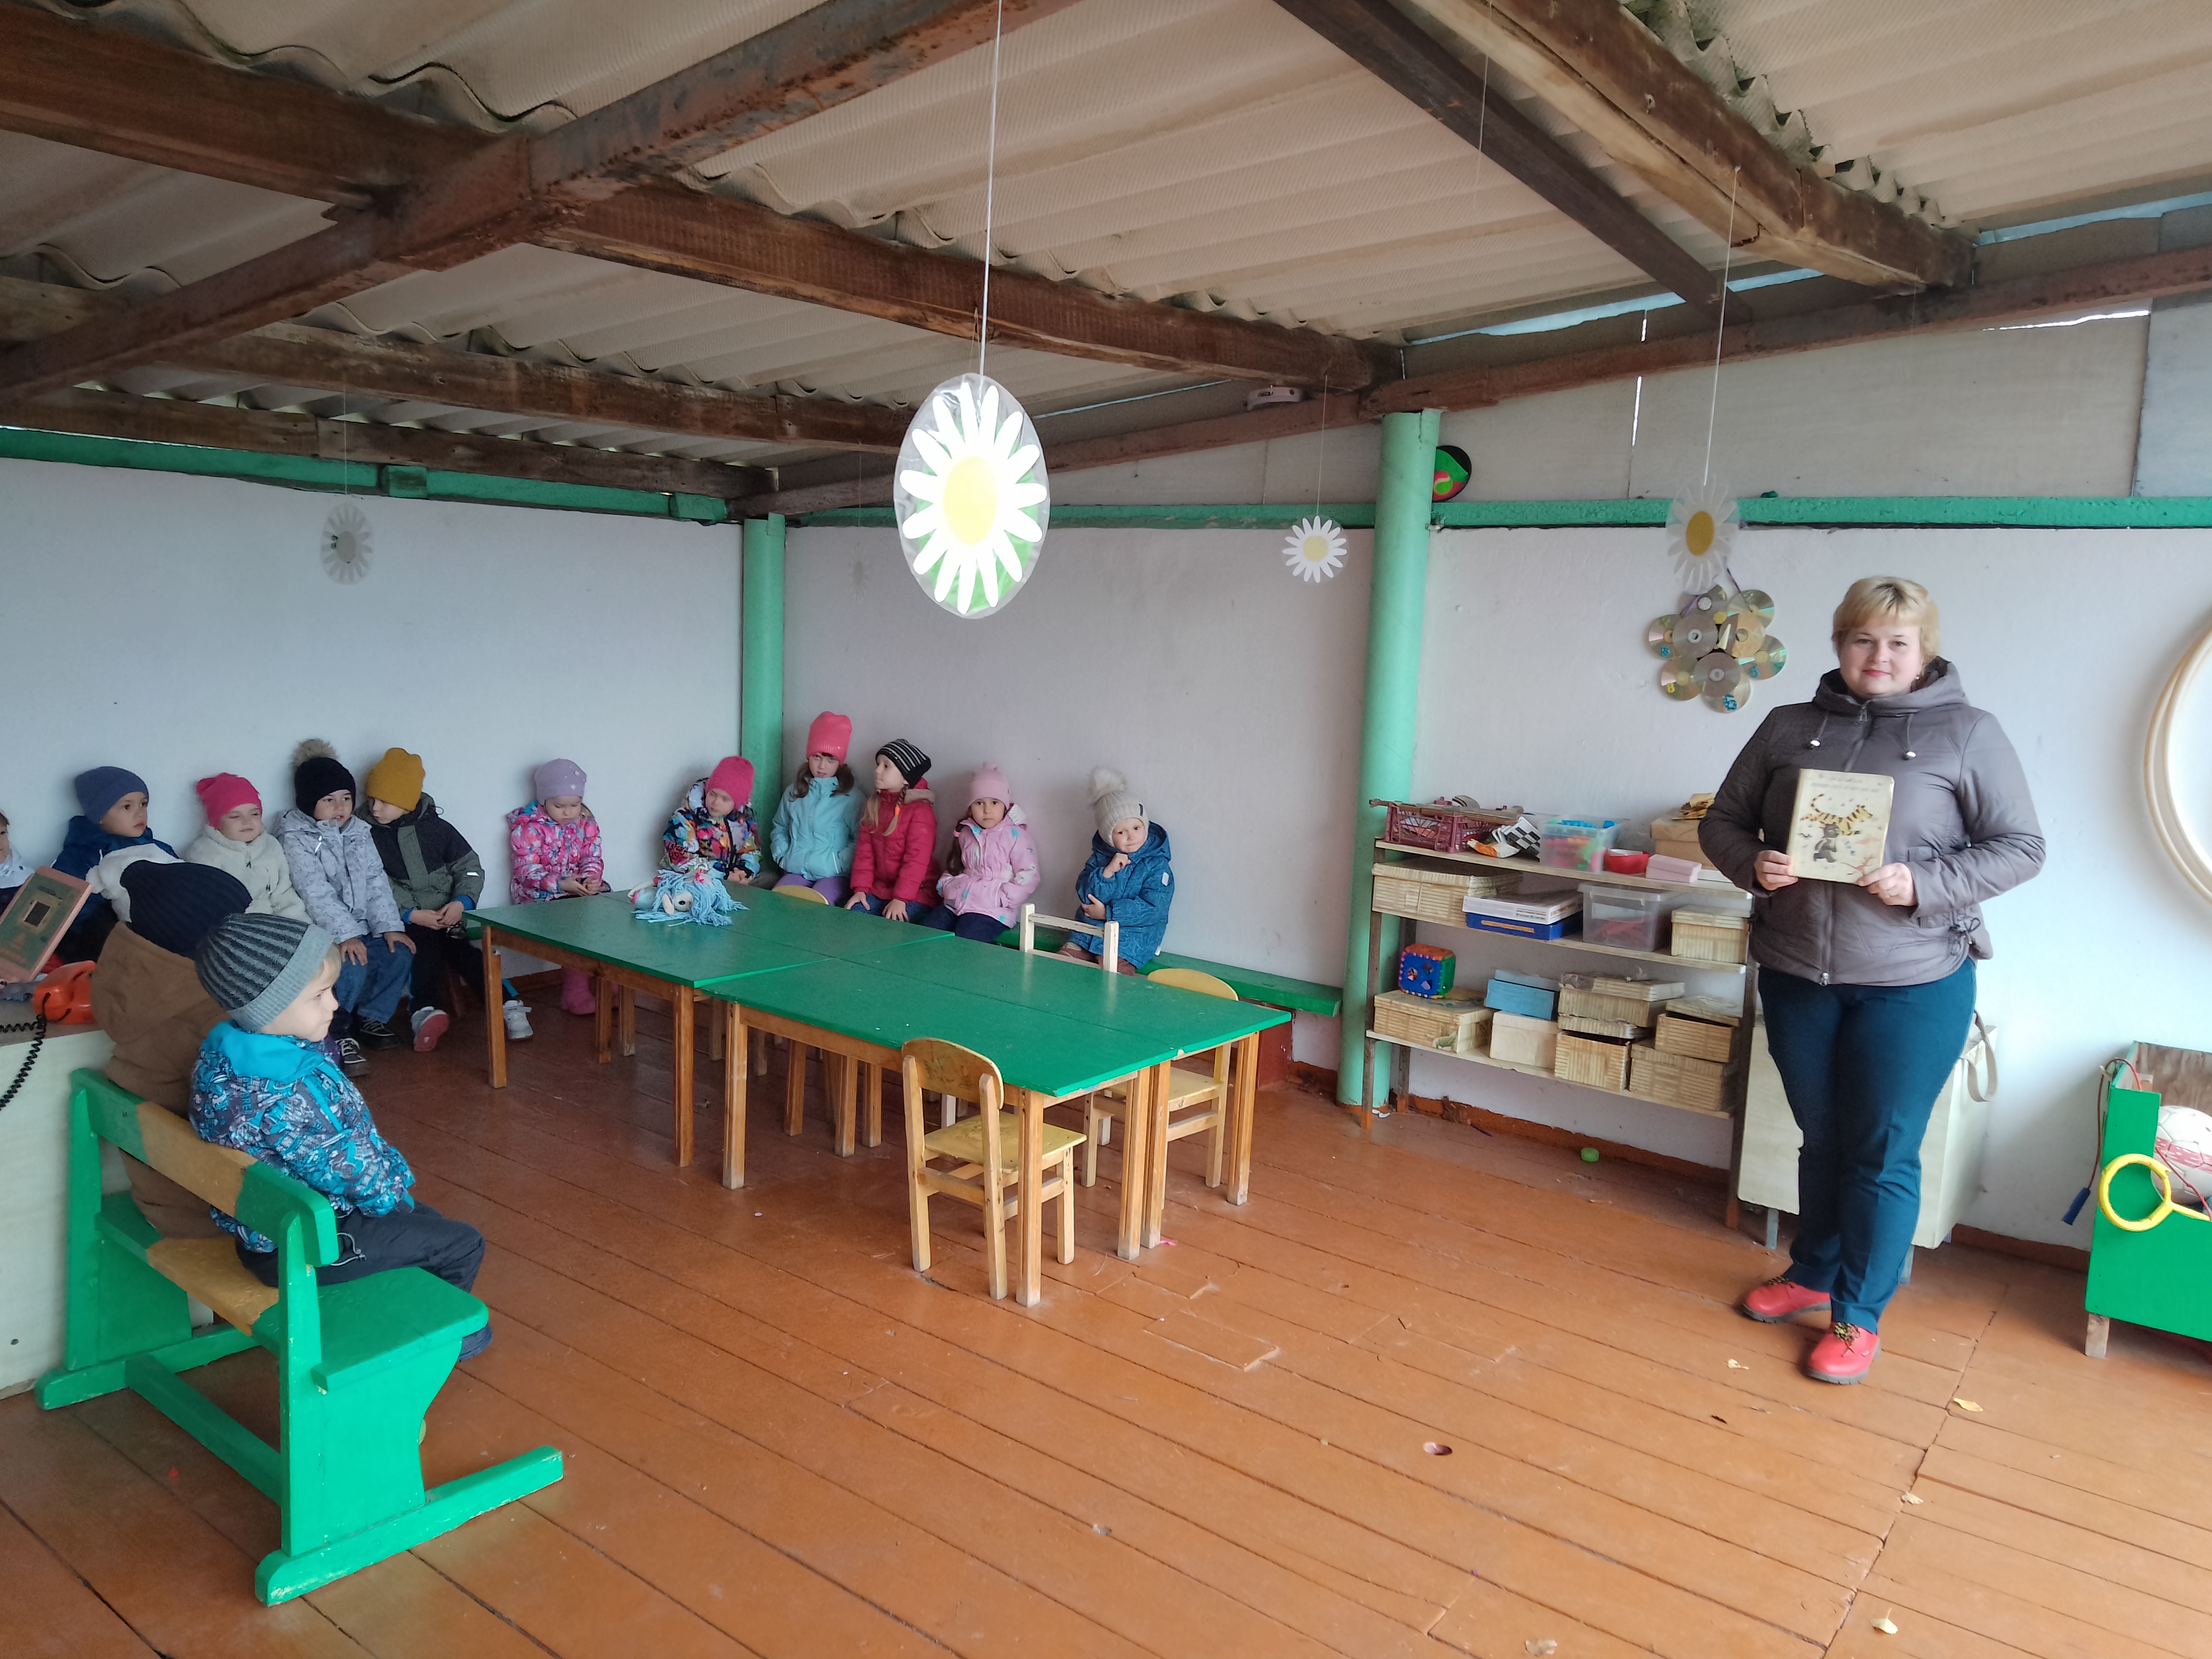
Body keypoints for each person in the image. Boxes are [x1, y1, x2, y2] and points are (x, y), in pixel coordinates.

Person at [1702, 577, 2043, 1385]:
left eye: (1897, 642)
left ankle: (1858, 1315)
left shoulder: (1968, 732)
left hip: (1913, 980)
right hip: (1798, 973)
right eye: (1862, 639)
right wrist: (1754, 863)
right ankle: (1813, 1272)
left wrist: (1921, 882)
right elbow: (1721, 823)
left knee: (1881, 1153)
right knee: (1821, 1138)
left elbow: (2021, 847)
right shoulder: (1788, 726)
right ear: (1839, 645)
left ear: (1925, 651)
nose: (1878, 656)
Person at [188, 911, 491, 1359]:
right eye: (319, 996)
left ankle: (405, 1314)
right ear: (268, 1008)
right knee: (462, 1243)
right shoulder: (287, 1090)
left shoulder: (231, 1059)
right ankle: (441, 1343)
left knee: (428, 1224)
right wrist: (394, 1194)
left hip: (272, 1229)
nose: (334, 1005)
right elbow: (351, 1170)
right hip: (311, 1241)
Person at [89, 861, 252, 1239]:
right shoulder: (210, 1018)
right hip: (217, 1213)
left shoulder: (133, 985)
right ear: (203, 938)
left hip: (160, 1197)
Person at [275, 740, 412, 1075]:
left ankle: (371, 1018)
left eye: (347, 798)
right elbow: (314, 892)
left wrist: (389, 926)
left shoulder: (358, 832)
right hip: (324, 933)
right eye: (329, 800)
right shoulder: (295, 837)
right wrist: (345, 935)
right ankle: (338, 1031)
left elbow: (376, 881)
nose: (340, 807)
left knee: (399, 953)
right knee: (349, 964)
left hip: (362, 928)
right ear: (309, 802)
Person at [362, 747, 485, 1054]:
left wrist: (461, 903)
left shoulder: (439, 830)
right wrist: (411, 914)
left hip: (451, 916)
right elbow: (378, 883)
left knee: (469, 955)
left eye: (385, 802)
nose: (375, 808)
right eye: (372, 800)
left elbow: (469, 867)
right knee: (422, 954)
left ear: (406, 802)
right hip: (411, 920)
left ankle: (508, 1003)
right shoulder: (366, 835)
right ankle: (425, 1012)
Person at [507, 757, 606, 1033]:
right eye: (559, 806)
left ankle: (609, 984)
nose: (568, 812)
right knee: (574, 925)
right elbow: (526, 871)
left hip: (578, 892)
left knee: (609, 917)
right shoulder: (528, 827)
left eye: (575, 805)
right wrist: (561, 884)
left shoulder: (586, 823)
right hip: (538, 898)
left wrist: (591, 879)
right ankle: (575, 993)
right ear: (544, 801)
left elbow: (592, 857)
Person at [52, 765, 173, 962]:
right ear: (99, 814)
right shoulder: (82, 855)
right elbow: (66, 909)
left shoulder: (157, 848)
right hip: (103, 941)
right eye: (127, 807)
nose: (140, 814)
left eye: (143, 804)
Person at [1059, 768, 1174, 974]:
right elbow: (1086, 894)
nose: (1131, 836)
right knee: (1064, 962)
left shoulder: (1157, 865)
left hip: (1131, 936)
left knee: (1111, 971)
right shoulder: (1100, 858)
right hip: (1089, 932)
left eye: (1137, 828)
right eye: (1121, 832)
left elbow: (1154, 908)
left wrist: (1108, 913)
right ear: (1109, 836)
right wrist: (1107, 873)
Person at [920, 764, 1040, 942]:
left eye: (994, 803)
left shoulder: (1016, 836)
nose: (987, 810)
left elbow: (1029, 874)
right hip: (956, 904)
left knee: (967, 941)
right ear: (970, 807)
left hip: (992, 911)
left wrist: (1002, 898)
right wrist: (946, 886)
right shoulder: (966, 833)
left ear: (1005, 806)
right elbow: (956, 865)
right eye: (979, 803)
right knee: (927, 933)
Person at [182, 772, 309, 919]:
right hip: (236, 925)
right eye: (235, 816)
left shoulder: (271, 845)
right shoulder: (204, 853)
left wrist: (300, 924)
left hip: (277, 921)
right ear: (216, 822)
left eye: (254, 814)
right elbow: (206, 905)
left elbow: (284, 893)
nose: (247, 821)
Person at [771, 711, 861, 903]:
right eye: (817, 757)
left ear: (840, 762)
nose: (822, 766)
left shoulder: (851, 797)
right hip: (796, 869)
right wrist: (784, 856)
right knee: (778, 901)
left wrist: (838, 864)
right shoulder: (794, 792)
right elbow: (780, 827)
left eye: (831, 759)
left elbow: (861, 839)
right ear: (809, 757)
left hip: (833, 874)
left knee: (818, 906)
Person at [843, 739, 937, 921]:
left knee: (892, 925)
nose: (878, 771)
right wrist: (861, 889)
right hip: (879, 889)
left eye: (886, 766)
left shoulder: (921, 812)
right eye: (878, 764)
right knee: (853, 917)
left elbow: (916, 861)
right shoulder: (873, 805)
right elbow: (864, 853)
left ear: (905, 778)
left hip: (915, 892)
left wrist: (901, 898)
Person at [664, 756, 760, 883]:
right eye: (713, 794)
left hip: (733, 877)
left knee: (770, 881)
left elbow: (752, 850)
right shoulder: (684, 819)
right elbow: (680, 860)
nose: (716, 803)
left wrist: (745, 871)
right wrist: (724, 875)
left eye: (725, 799)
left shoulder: (743, 818)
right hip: (696, 881)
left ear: (736, 804)